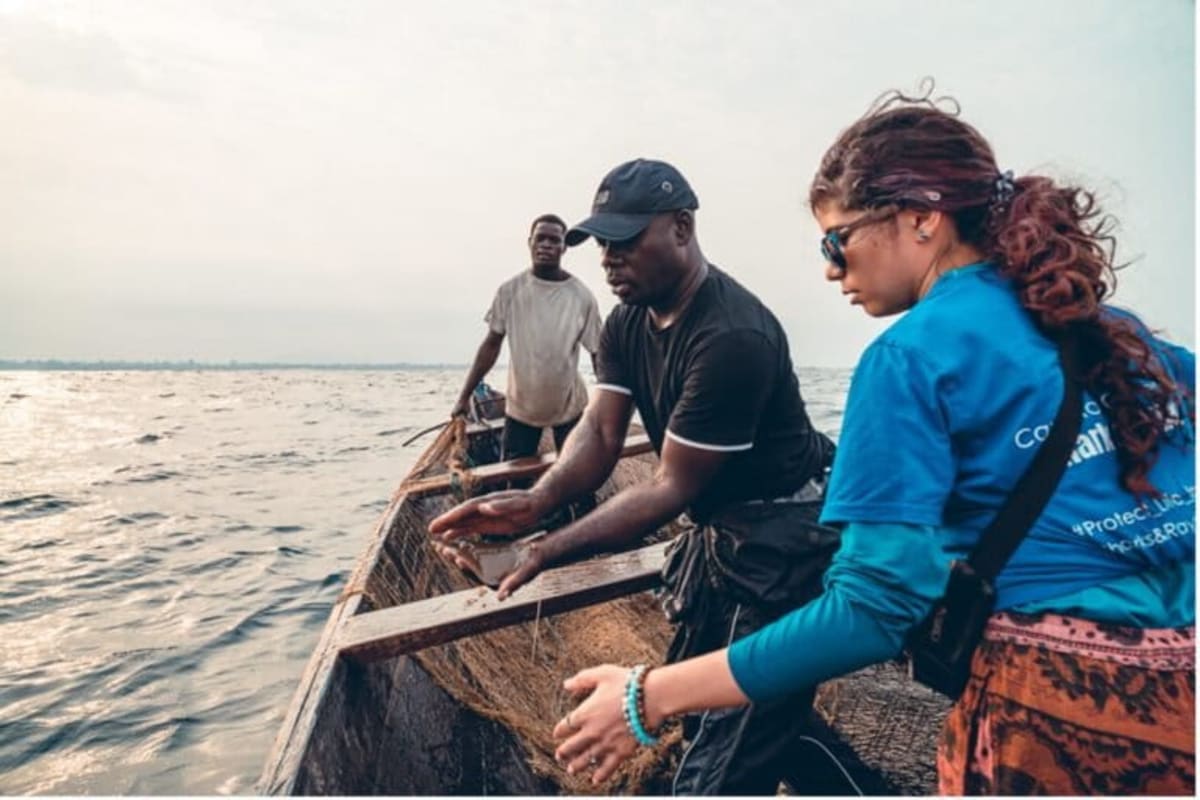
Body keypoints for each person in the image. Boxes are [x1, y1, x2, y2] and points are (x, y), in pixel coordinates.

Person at [549, 91, 1196, 796]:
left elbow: (874, 608)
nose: (832, 269)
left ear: (921, 218)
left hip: (1055, 726)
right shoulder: (1134, 338)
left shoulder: (908, 358)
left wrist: (649, 696)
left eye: (837, 240)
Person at [430, 159, 845, 795]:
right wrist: (538, 500)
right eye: (601, 244)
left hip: (782, 537)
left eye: (625, 242)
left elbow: (668, 488)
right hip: (724, 535)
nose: (608, 261)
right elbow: (599, 433)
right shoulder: (627, 320)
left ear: (681, 228)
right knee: (728, 707)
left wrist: (543, 550)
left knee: (723, 756)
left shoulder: (731, 336)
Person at [451, 213, 602, 461]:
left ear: (564, 247)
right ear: (529, 242)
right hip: (522, 408)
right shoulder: (510, 291)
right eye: (540, 239)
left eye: (554, 240)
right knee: (513, 481)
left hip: (569, 405)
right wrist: (464, 396)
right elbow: (491, 345)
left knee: (578, 482)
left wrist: (606, 406)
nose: (546, 245)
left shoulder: (581, 296)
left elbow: (598, 353)